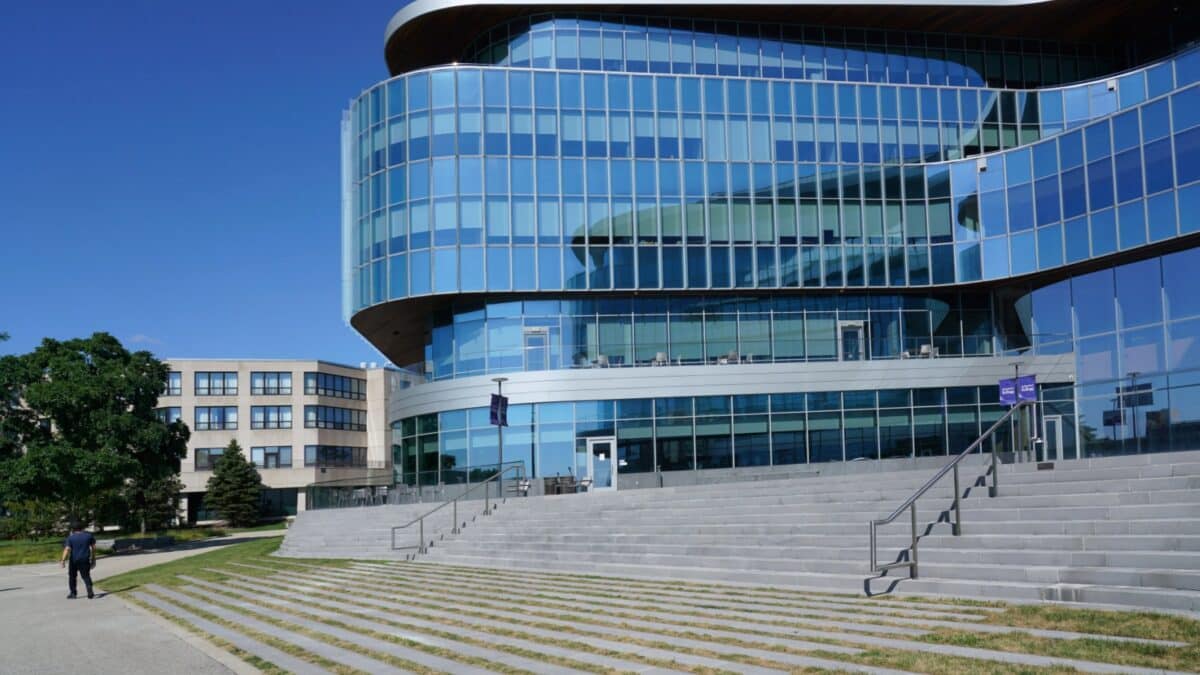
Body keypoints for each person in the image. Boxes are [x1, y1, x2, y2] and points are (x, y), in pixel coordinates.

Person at [60, 522, 96, 599]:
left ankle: (73, 593)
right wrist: (93, 559)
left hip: (74, 560)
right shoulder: (89, 536)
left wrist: (63, 560)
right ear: (82, 528)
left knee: (72, 577)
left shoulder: (71, 538)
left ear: (73, 529)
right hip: (85, 559)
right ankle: (89, 590)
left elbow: (67, 549)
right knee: (86, 576)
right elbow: (93, 548)